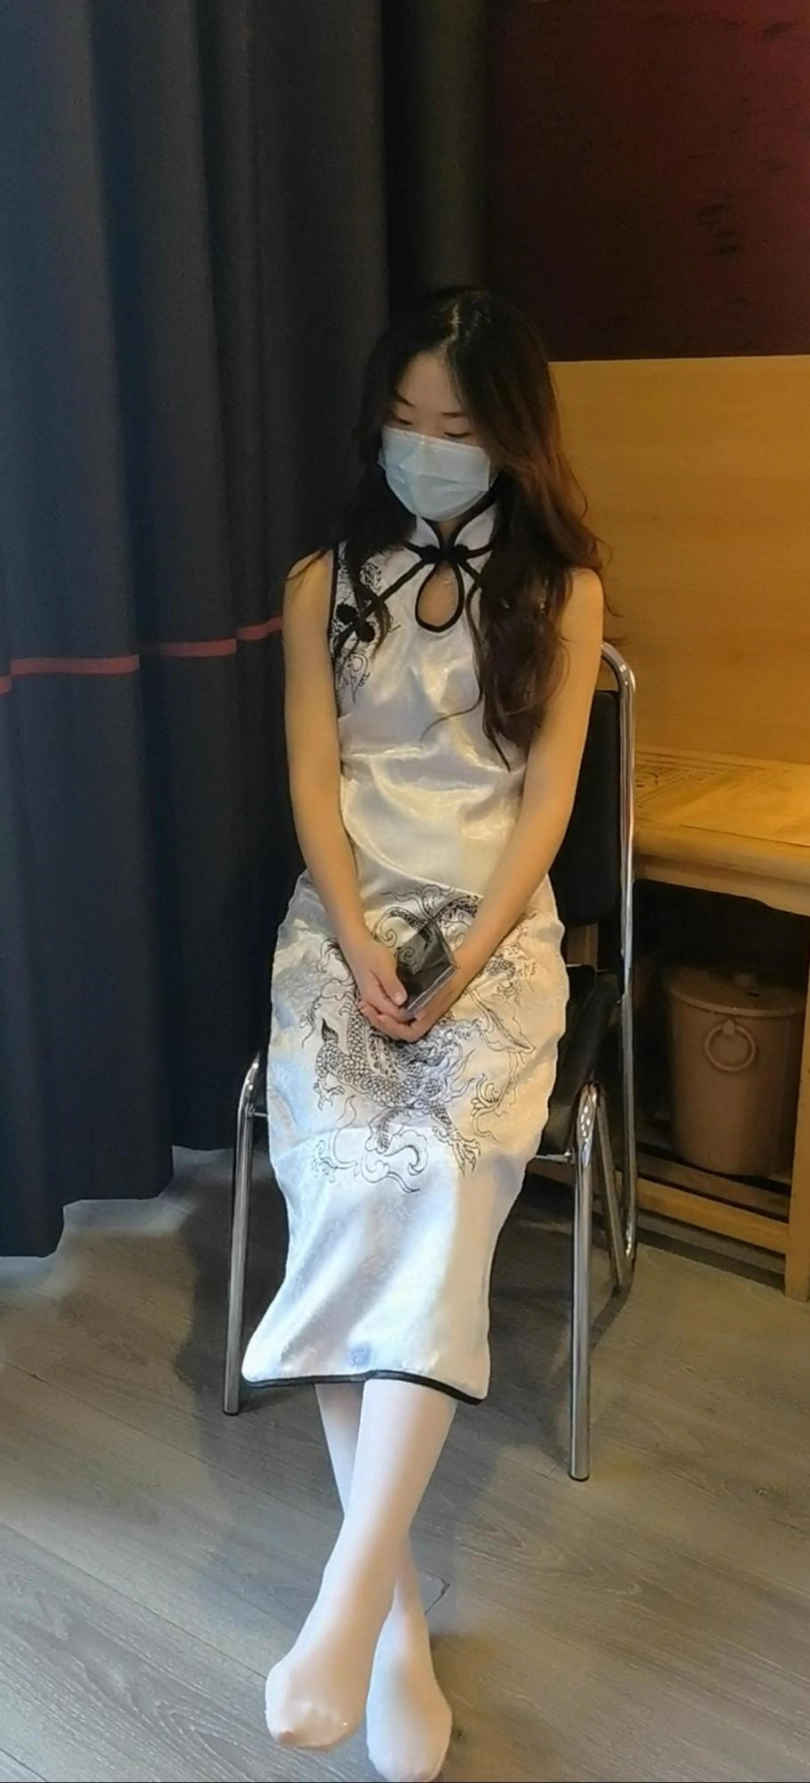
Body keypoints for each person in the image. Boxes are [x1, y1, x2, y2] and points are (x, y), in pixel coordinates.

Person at [242, 286, 604, 1781]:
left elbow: (548, 803)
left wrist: (463, 963)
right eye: (404, 416)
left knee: (440, 1185)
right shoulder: (319, 580)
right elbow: (313, 784)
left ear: (512, 434)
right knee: (347, 1186)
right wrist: (355, 934)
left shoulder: (563, 589)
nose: (425, 445)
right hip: (341, 926)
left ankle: (346, 1601)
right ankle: (388, 1627)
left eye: (456, 423)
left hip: (496, 934)